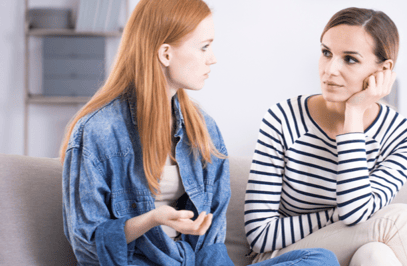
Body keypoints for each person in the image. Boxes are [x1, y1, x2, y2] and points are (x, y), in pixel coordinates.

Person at [60, 0, 340, 265]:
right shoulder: (97, 131)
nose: (213, 59)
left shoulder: (204, 129)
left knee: (322, 260)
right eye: (204, 47)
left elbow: (211, 242)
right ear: (166, 53)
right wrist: (152, 219)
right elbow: (87, 246)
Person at [245, 7, 407, 266]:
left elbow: (355, 212)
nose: (330, 70)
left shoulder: (406, 138)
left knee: (375, 255)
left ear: (383, 70)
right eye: (326, 53)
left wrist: (353, 115)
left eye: (349, 59)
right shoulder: (282, 118)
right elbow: (260, 236)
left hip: (349, 249)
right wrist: (338, 216)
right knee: (401, 219)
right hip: (285, 257)